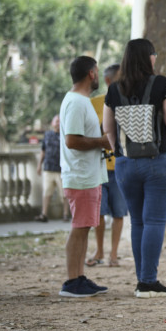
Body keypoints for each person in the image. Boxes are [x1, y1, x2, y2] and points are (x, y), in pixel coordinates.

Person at [104, 38, 166, 298]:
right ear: (149, 57)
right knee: (155, 221)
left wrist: (121, 152)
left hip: (126, 164)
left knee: (137, 221)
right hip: (159, 160)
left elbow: (108, 128)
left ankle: (142, 280)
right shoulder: (161, 84)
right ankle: (148, 282)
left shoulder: (114, 90)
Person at [58, 56, 109, 297]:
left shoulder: (81, 101)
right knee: (79, 227)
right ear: (91, 73)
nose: (98, 76)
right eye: (96, 72)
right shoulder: (76, 102)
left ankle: (78, 277)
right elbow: (72, 140)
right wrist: (102, 141)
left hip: (87, 175)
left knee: (85, 226)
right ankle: (71, 282)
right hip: (80, 175)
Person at [87, 64, 127, 267]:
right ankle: (99, 251)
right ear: (109, 81)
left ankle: (114, 254)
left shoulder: (129, 101)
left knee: (119, 212)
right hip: (99, 166)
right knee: (99, 212)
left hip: (121, 165)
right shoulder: (94, 103)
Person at [35, 115, 65, 222]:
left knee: (64, 194)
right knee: (47, 192)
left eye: (59, 121)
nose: (57, 123)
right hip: (48, 168)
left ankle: (65, 215)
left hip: (61, 169)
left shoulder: (65, 135)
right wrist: (39, 164)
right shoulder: (47, 135)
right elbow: (43, 150)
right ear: (52, 123)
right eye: (56, 121)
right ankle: (44, 214)